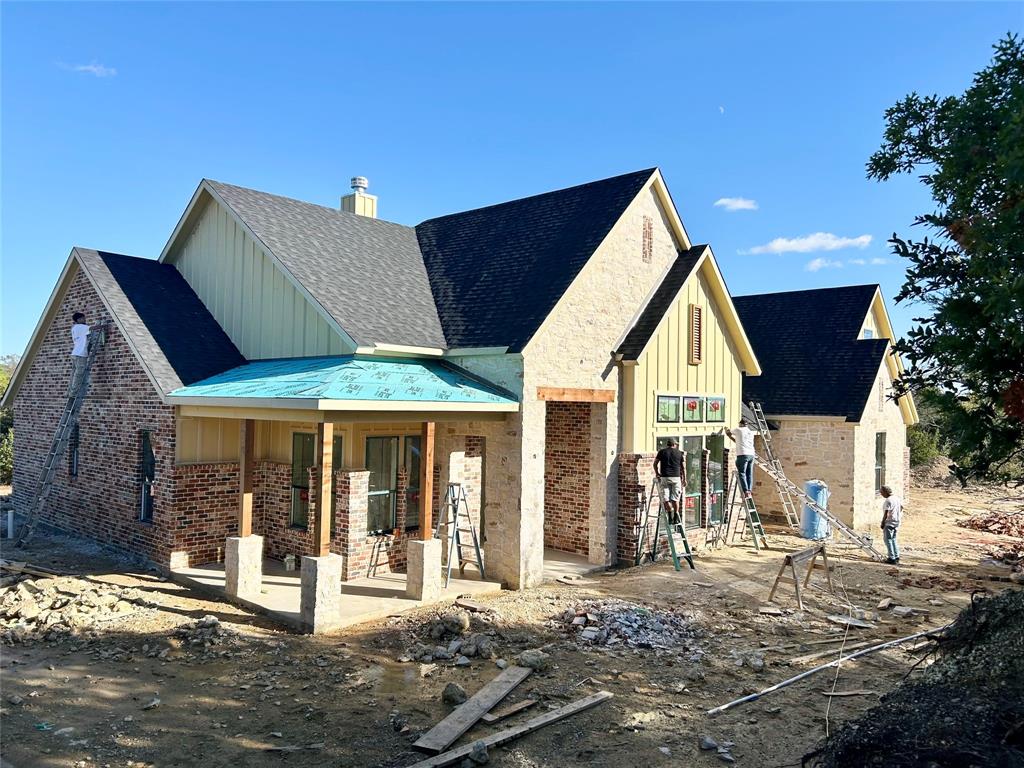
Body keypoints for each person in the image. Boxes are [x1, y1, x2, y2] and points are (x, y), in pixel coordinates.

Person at [653, 438, 686, 523]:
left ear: (667, 444)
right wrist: (684, 479)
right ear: (674, 444)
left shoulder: (662, 452)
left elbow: (655, 464)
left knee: (666, 499)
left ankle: (670, 515)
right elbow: (683, 468)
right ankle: (675, 516)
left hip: (665, 477)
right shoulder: (679, 453)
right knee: (675, 499)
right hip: (676, 478)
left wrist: (657, 473)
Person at [726, 418, 757, 497]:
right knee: (749, 473)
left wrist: (726, 430)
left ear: (741, 424)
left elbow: (729, 432)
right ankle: (749, 491)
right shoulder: (750, 432)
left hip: (743, 455)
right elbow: (739, 442)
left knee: (742, 473)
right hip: (751, 455)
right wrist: (730, 438)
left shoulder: (738, 430)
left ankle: (745, 491)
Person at [880, 485, 903, 565]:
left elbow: (886, 513)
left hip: (889, 522)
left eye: (882, 492)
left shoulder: (888, 501)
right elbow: (901, 507)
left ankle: (891, 558)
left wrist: (883, 522)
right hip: (896, 522)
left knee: (888, 540)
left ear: (886, 492)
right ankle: (896, 556)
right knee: (893, 539)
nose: (881, 494)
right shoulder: (897, 498)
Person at [70, 311, 90, 392]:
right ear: (78, 320)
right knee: (79, 374)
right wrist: (103, 326)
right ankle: (74, 392)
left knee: (74, 373)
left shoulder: (74, 328)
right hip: (81, 354)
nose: (84, 319)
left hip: (75, 353)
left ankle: (70, 390)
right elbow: (91, 329)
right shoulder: (82, 327)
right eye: (82, 318)